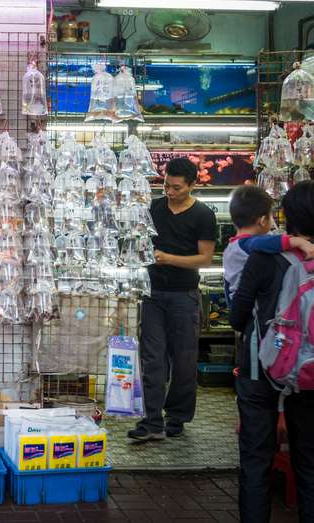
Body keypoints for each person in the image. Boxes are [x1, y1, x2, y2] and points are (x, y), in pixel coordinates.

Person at [230, 181, 314, 522]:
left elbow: (237, 316)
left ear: (284, 214)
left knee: (256, 459)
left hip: (262, 367)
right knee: (311, 458)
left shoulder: (264, 256)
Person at [130, 157, 217, 443]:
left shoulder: (203, 215)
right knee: (152, 358)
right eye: (166, 185)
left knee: (184, 360)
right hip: (152, 294)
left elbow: (205, 258)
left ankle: (177, 417)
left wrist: (168, 258)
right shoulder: (154, 208)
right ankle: (152, 421)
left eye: (176, 187)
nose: (169, 191)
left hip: (185, 295)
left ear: (192, 185)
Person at [222, 185, 314, 306]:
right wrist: (299, 242)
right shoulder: (248, 243)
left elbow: (227, 283)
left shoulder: (232, 247)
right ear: (263, 221)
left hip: (239, 302)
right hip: (252, 305)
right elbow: (267, 243)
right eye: (271, 216)